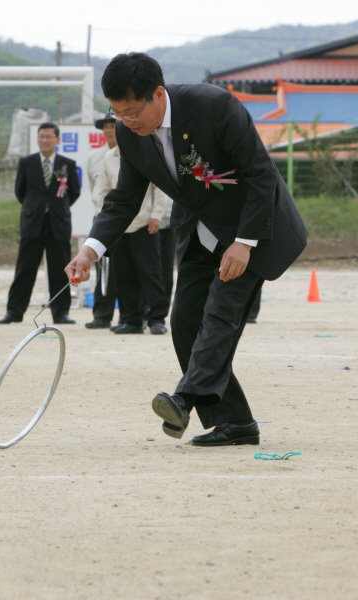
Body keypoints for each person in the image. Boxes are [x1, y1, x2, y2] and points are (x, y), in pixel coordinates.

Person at [65, 53, 309, 446]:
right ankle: (236, 423)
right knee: (185, 323)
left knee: (219, 315)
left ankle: (183, 399)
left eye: (132, 112)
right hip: (198, 231)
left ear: (158, 94)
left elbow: (261, 174)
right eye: (117, 114)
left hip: (253, 228)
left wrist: (244, 243)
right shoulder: (130, 133)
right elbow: (124, 199)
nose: (126, 122)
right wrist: (89, 251)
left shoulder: (214, 106)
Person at [0, 123, 80, 325]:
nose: (44, 140)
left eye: (49, 137)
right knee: (25, 269)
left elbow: (74, 192)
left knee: (60, 270)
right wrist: (34, 208)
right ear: (37, 139)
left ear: (57, 140)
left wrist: (57, 207)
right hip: (32, 223)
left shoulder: (67, 164)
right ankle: (14, 312)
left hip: (58, 224)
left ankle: (61, 312)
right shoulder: (26, 162)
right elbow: (20, 191)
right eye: (41, 136)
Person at [94, 143, 170, 334]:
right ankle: (131, 320)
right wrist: (104, 221)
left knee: (151, 273)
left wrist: (156, 215)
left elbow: (159, 187)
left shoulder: (144, 150)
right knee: (123, 274)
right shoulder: (109, 157)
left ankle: (156, 319)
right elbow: (101, 191)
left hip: (144, 224)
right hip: (118, 227)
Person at [85, 116, 121, 330]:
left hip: (130, 219)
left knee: (128, 268)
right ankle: (102, 314)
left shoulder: (132, 151)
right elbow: (95, 186)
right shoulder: (94, 157)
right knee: (102, 268)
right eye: (105, 127)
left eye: (112, 126)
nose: (108, 130)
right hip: (103, 217)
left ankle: (135, 315)